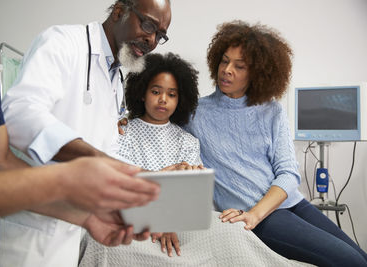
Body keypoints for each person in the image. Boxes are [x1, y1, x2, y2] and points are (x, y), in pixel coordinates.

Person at [78, 53, 310, 267]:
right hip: (134, 215)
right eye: (155, 91)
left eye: (172, 94)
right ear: (141, 92)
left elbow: (192, 194)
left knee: (234, 232)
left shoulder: (187, 140)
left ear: (180, 99)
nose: (163, 100)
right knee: (103, 242)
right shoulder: (123, 132)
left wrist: (173, 215)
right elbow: (120, 180)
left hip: (181, 220)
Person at [0, 25, 159, 267]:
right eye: (149, 25)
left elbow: (1, 158)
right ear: (121, 11)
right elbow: (19, 114)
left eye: (160, 36)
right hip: (25, 236)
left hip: (64, 234)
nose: (152, 40)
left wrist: (139, 183)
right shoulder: (63, 42)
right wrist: (80, 170)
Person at [184, 20, 367, 267]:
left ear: (257, 73)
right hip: (259, 216)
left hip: (291, 203)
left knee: (361, 258)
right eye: (224, 61)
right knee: (351, 262)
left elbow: (289, 173)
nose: (227, 70)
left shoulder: (272, 111)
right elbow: (153, 120)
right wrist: (121, 122)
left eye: (240, 66)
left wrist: (256, 213)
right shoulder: (195, 113)